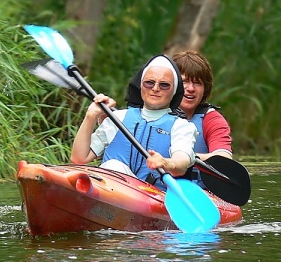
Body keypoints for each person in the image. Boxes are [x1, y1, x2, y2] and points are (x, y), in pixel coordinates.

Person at [70, 55, 197, 191]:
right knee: (114, 166)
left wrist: (166, 162)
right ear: (141, 86)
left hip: (150, 198)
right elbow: (79, 158)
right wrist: (91, 115)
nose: (155, 88)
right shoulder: (118, 118)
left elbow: (181, 164)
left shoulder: (182, 127)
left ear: (174, 91)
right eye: (149, 82)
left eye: (164, 85)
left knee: (114, 166)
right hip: (107, 189)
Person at [125, 50, 232, 188]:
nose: (191, 88)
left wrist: (185, 157)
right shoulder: (147, 113)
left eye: (197, 83)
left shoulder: (211, 119)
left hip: (190, 190)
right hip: (144, 188)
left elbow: (224, 159)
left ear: (205, 89)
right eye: (185, 81)